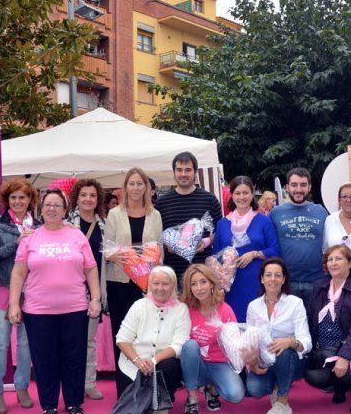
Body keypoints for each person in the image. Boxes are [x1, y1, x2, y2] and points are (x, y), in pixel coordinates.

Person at [8, 189, 101, 414]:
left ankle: (74, 402)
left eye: (57, 205)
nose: (52, 209)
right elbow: (19, 272)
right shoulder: (31, 238)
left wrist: (96, 299)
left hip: (75, 308)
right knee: (44, 360)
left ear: (65, 210)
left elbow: (91, 268)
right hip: (38, 311)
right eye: (48, 205)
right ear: (41, 208)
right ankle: (49, 405)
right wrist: (13, 304)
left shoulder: (77, 236)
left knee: (74, 358)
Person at [0, 178, 40, 414]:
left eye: (23, 197)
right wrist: (16, 244)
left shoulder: (38, 225)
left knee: (26, 344)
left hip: (33, 291)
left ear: (30, 200)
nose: (18, 201)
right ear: (7, 200)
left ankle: (22, 387)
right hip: (4, 290)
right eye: (14, 197)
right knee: (0, 344)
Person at [104, 168, 163, 392]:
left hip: (147, 285)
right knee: (123, 336)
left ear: (146, 188)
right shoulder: (114, 214)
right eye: (132, 183)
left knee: (146, 336)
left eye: (140, 184)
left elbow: (158, 251)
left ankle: (146, 388)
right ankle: (124, 390)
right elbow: (107, 250)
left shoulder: (154, 215)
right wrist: (114, 255)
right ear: (125, 187)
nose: (136, 188)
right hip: (119, 283)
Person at [305, 245, 351, 413]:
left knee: (340, 363)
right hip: (322, 348)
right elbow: (309, 318)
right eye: (330, 259)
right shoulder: (319, 287)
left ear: (350, 263)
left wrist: (345, 356)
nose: (333, 263)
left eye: (339, 259)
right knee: (310, 373)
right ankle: (338, 385)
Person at [115, 266, 191, 414]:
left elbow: (179, 344)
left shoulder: (181, 309)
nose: (160, 288)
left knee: (170, 365)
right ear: (149, 285)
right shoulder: (139, 305)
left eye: (165, 284)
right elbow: (122, 339)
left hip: (162, 362)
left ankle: (162, 399)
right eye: (156, 283)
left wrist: (153, 360)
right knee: (130, 406)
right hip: (133, 363)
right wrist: (138, 361)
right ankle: (148, 397)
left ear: (173, 286)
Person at [245, 258, 312, 414]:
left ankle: (282, 402)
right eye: (268, 275)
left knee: (285, 351)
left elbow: (307, 342)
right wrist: (252, 362)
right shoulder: (253, 306)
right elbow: (250, 340)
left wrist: (290, 341)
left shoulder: (295, 303)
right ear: (262, 278)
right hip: (265, 362)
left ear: (283, 279)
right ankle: (278, 385)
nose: (272, 279)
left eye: (277, 275)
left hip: (291, 361)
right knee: (254, 389)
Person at [179, 264, 245, 414]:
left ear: (211, 284)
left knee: (235, 395)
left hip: (219, 364)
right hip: (196, 363)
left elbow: (235, 343)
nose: (199, 288)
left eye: (203, 282)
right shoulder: (184, 309)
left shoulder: (225, 310)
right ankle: (192, 399)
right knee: (189, 345)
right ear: (189, 288)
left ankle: (212, 387)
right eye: (193, 284)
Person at [213, 176, 280, 321]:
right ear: (231, 195)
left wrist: (255, 254)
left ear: (252, 195)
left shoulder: (263, 220)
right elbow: (215, 257)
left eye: (245, 193)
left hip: (256, 282)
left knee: (257, 326)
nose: (241, 197)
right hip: (231, 286)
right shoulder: (223, 223)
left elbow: (275, 249)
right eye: (237, 193)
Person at [66, 179, 108, 400]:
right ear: (76, 198)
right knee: (70, 340)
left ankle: (88, 382)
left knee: (89, 340)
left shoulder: (105, 226)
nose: (88, 199)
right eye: (83, 195)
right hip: (69, 290)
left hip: (94, 290)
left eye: (92, 195)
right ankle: (71, 383)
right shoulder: (65, 225)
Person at [156, 152, 223, 283]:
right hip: (172, 275)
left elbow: (220, 233)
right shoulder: (162, 203)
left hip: (203, 273)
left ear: (195, 172)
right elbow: (155, 236)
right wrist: (166, 245)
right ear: (174, 172)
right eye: (179, 170)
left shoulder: (209, 199)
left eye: (188, 170)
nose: (183, 174)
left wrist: (206, 242)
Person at [269, 167, 328, 308]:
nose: (298, 189)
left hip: (316, 279)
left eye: (303, 185)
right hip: (286, 280)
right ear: (287, 187)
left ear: (309, 187)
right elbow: (270, 245)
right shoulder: (275, 213)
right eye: (294, 185)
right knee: (288, 325)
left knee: (315, 324)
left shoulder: (320, 211)